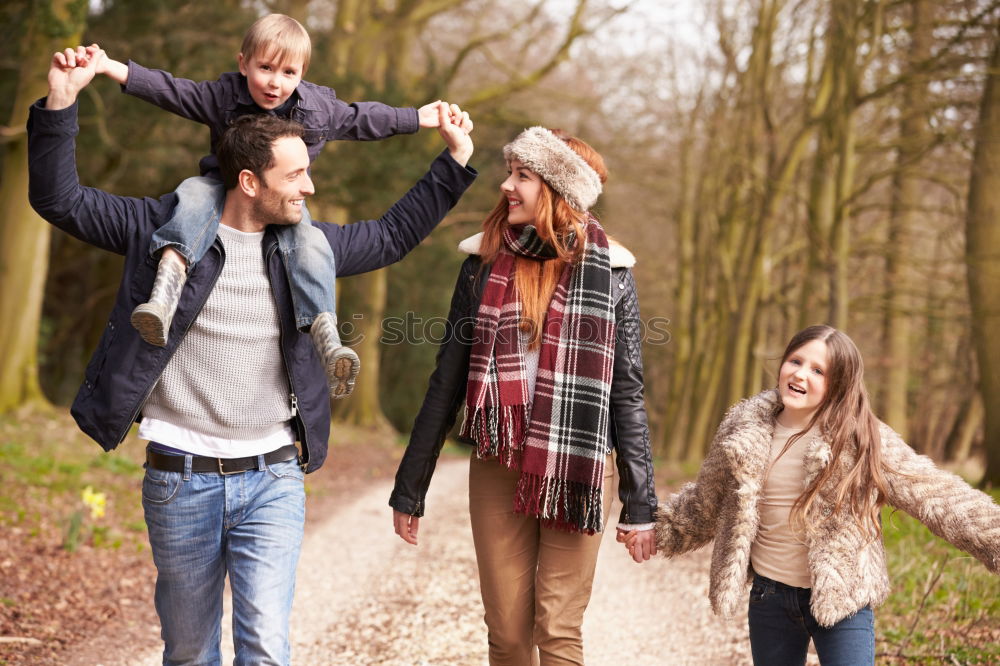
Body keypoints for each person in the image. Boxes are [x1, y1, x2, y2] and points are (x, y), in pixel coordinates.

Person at [30, 44, 475, 665]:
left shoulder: (306, 247)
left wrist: (455, 162)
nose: (310, 186)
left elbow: (394, 234)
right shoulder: (161, 230)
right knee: (190, 653)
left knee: (265, 645)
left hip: (273, 477)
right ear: (249, 181)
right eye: (295, 176)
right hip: (179, 477)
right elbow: (62, 202)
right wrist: (61, 102)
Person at [389, 126, 658, 664]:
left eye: (523, 176)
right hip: (498, 461)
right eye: (511, 173)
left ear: (559, 191)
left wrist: (640, 502)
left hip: (578, 465)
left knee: (557, 629)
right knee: (509, 633)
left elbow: (625, 392)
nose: (507, 185)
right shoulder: (483, 266)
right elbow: (448, 380)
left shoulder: (613, 275)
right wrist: (411, 485)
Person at [93, 13, 453, 398]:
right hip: (223, 187)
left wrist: (417, 117)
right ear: (243, 63)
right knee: (191, 198)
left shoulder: (318, 108)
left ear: (302, 75)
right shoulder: (223, 98)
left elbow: (362, 119)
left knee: (310, 244)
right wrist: (110, 67)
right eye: (265, 68)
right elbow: (172, 90)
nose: (275, 82)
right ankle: (164, 295)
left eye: (288, 72)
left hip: (282, 202)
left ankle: (326, 334)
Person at [634, 325, 1000, 665]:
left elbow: (935, 494)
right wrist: (655, 529)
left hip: (843, 600)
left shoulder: (860, 438)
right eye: (795, 361)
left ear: (838, 385)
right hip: (770, 598)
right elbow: (705, 502)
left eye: (818, 371)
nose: (800, 374)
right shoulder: (744, 428)